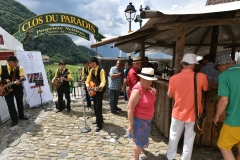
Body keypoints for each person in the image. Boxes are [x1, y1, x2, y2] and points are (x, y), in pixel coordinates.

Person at [166, 53, 208, 160]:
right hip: (194, 114)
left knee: (173, 137)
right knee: (189, 139)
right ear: (194, 65)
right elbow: (206, 89)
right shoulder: (201, 76)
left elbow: (170, 95)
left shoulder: (173, 78)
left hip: (177, 112)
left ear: (182, 64)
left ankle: (170, 157)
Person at [212, 54, 240, 160]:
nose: (219, 70)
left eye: (218, 67)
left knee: (223, 146)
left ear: (223, 64)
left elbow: (224, 100)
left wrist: (217, 116)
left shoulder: (225, 76)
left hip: (234, 121)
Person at [128, 68, 157, 160]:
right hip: (140, 121)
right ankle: (135, 158)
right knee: (139, 143)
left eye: (151, 81)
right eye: (149, 81)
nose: (151, 83)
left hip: (146, 121)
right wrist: (130, 125)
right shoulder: (137, 91)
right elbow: (130, 108)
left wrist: (153, 94)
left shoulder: (148, 88)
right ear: (142, 79)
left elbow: (147, 100)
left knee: (140, 141)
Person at [0, 55, 29, 127]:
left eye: (17, 62)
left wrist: (20, 81)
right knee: (10, 105)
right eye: (14, 62)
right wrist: (3, 81)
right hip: (7, 90)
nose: (16, 63)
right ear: (9, 62)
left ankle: (21, 115)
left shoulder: (20, 68)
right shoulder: (1, 68)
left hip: (17, 88)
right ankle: (14, 120)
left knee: (20, 102)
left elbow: (22, 77)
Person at [86, 57, 106, 132]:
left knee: (98, 106)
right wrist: (88, 86)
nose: (89, 64)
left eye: (90, 63)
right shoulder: (91, 70)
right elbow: (87, 80)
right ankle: (99, 119)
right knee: (95, 105)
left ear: (94, 63)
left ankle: (99, 124)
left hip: (99, 91)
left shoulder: (101, 70)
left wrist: (100, 87)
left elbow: (103, 81)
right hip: (93, 91)